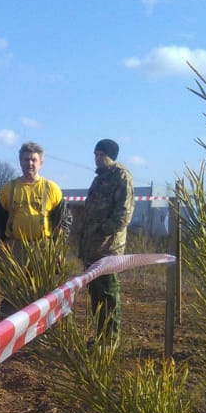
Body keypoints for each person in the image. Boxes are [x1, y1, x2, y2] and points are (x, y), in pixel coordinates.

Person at [0, 142, 67, 315]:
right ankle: (9, 327)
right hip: (15, 248)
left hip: (43, 248)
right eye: (25, 160)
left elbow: (63, 221)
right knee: (12, 293)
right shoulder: (9, 189)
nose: (29, 163)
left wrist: (58, 250)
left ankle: (42, 329)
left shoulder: (52, 189)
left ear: (41, 163)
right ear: (20, 162)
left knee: (42, 294)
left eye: (33, 160)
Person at [77, 139, 135, 344]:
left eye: (102, 154)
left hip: (108, 249)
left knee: (108, 295)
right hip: (92, 249)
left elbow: (124, 214)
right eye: (96, 154)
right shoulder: (99, 179)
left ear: (112, 156)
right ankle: (101, 337)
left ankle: (110, 341)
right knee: (97, 295)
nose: (98, 158)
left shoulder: (121, 177)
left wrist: (102, 230)